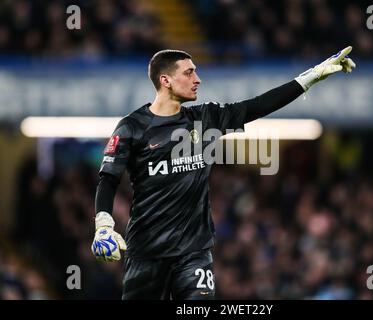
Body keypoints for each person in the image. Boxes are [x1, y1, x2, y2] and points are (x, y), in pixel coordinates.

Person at [91, 48, 356, 300]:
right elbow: (109, 178)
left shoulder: (205, 119)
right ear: (166, 80)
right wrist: (103, 225)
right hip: (146, 252)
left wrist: (311, 77)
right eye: (189, 72)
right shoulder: (132, 127)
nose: (198, 79)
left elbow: (257, 106)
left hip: (193, 254)